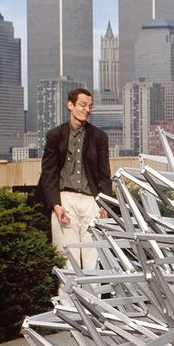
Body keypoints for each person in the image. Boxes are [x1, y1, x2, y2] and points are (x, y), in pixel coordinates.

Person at [38, 87, 113, 271]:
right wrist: (55, 205)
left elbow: (105, 174)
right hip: (65, 201)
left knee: (93, 264)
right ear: (70, 105)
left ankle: (93, 300)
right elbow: (48, 172)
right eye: (82, 105)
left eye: (90, 106)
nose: (87, 109)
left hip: (91, 202)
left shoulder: (99, 137)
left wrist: (104, 205)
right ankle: (67, 301)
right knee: (67, 263)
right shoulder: (55, 136)